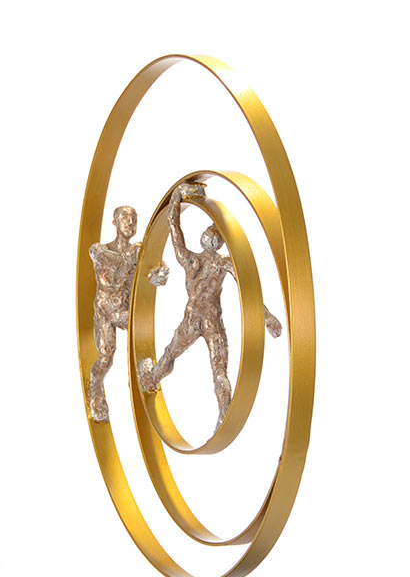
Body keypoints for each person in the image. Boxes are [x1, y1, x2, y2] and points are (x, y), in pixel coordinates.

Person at [138, 183, 282, 431]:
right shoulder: (223, 263)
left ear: (207, 240)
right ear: (220, 243)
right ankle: (223, 416)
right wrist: (267, 318)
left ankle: (152, 378)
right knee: (218, 370)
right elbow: (249, 293)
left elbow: (174, 228)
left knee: (173, 354)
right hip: (211, 321)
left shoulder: (191, 260)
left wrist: (176, 197)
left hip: (194, 318)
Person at [89, 205, 168, 421]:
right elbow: (111, 260)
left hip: (124, 310)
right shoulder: (99, 250)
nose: (130, 223)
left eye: (134, 218)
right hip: (105, 310)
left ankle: (144, 377)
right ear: (114, 222)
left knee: (139, 334)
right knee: (106, 358)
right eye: (124, 218)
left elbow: (154, 266)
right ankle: (95, 389)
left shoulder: (137, 251)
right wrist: (137, 259)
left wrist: (158, 272)